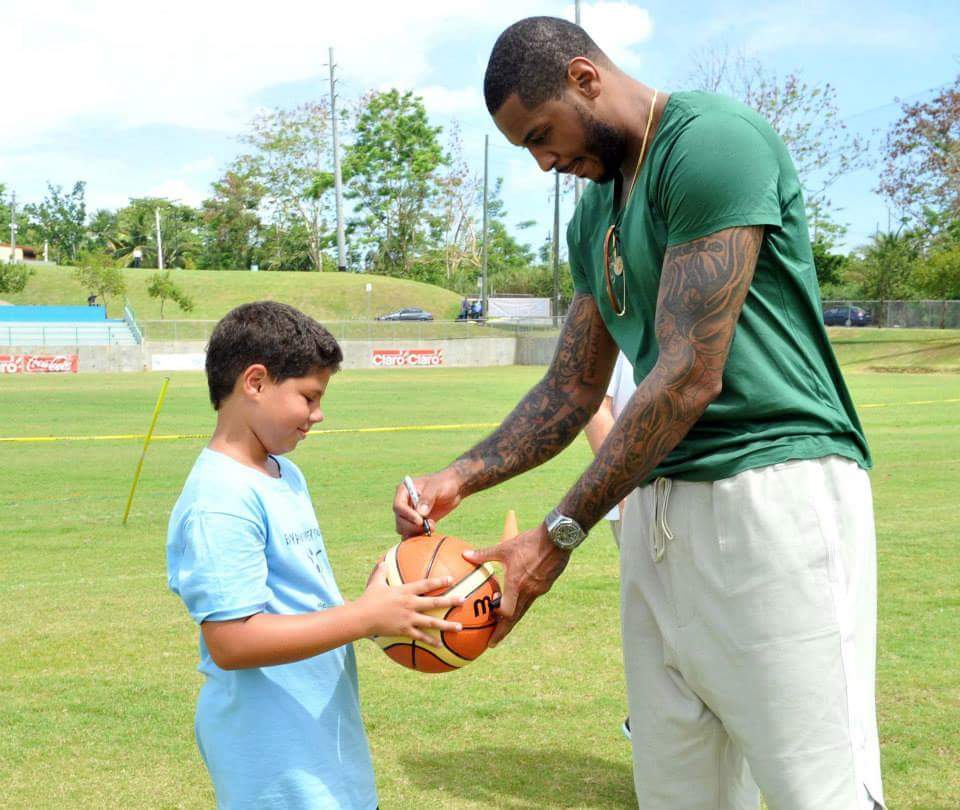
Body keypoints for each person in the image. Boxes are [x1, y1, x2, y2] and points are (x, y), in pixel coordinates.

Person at [393, 17, 883, 810]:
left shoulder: (710, 144)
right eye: (526, 148)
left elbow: (687, 374)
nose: (545, 161)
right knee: (681, 792)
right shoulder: (595, 214)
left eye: (541, 134)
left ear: (586, 77)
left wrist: (556, 535)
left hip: (770, 491)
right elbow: (569, 389)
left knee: (813, 788)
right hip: (657, 510)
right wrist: (458, 477)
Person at [167, 301, 464, 809]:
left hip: (322, 739)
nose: (318, 414)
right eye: (308, 396)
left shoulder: (284, 473)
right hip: (271, 758)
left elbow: (302, 601)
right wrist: (363, 616)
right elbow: (232, 642)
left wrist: (386, 590)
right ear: (255, 383)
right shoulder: (219, 500)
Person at [583, 350, 636, 742]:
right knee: (664, 616)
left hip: (702, 490)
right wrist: (622, 485)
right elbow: (596, 404)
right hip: (639, 499)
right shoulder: (622, 299)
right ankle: (650, 720)